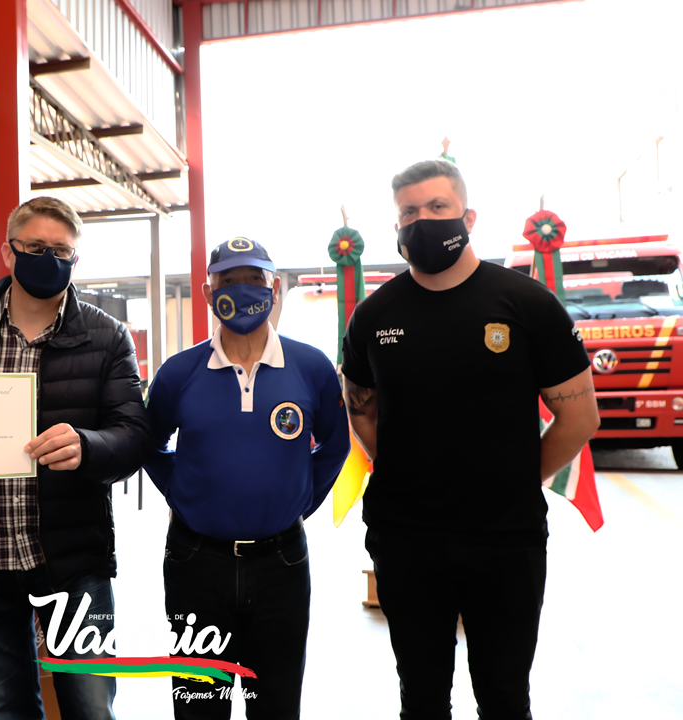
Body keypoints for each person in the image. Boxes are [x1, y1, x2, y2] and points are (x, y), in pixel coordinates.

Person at [341, 159, 600, 720]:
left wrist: (515, 480)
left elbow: (579, 417)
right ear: (396, 225)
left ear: (469, 216)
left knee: (504, 700)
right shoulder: (374, 315)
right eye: (409, 212)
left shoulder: (527, 304)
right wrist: (406, 468)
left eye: (438, 207)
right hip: (406, 538)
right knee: (421, 700)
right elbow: (361, 409)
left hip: (504, 540)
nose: (423, 220)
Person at [0, 196, 148, 720]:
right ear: (7, 252)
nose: (49, 259)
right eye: (36, 247)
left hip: (71, 561)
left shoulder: (107, 336)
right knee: (6, 708)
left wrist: (88, 446)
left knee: (91, 708)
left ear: (76, 259)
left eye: (61, 251)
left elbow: (134, 435)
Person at [144, 237, 351, 719]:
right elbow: (149, 444)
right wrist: (181, 493)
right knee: (199, 707)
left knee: (276, 704)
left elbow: (335, 445)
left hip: (281, 563)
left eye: (254, 279)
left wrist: (300, 500)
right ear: (207, 292)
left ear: (274, 288)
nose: (242, 289)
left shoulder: (311, 367)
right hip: (196, 563)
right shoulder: (178, 372)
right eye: (228, 280)